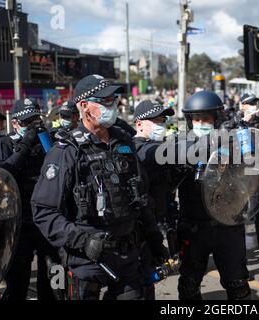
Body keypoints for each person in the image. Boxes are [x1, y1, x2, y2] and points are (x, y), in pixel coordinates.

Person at [31, 75, 167, 300]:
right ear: (84, 106)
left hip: (127, 254)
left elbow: (140, 198)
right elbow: (44, 211)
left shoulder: (123, 143)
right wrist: (82, 241)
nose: (112, 105)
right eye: (104, 101)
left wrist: (154, 238)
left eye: (114, 100)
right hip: (88, 259)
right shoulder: (66, 152)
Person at [176, 91, 251, 300]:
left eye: (206, 119)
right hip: (194, 227)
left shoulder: (233, 142)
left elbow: (252, 171)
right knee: (189, 285)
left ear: (216, 119)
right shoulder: (180, 145)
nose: (200, 123)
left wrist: (236, 136)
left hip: (227, 226)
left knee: (238, 286)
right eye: (196, 119)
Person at [0, 98, 58, 300]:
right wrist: (25, 144)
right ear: (15, 123)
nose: (33, 127)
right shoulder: (4, 144)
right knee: (18, 282)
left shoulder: (45, 141)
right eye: (28, 122)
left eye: (36, 121)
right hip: (18, 224)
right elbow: (1, 175)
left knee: (52, 281)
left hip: (45, 219)